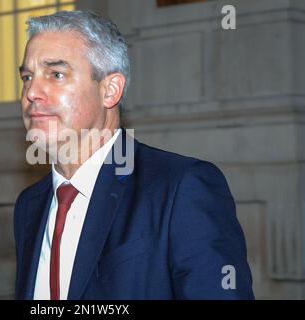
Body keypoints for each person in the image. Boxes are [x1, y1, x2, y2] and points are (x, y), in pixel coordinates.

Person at [14, 10, 254, 300]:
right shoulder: (30, 205)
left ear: (110, 90)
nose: (32, 92)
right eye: (27, 76)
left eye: (56, 74)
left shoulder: (181, 188)